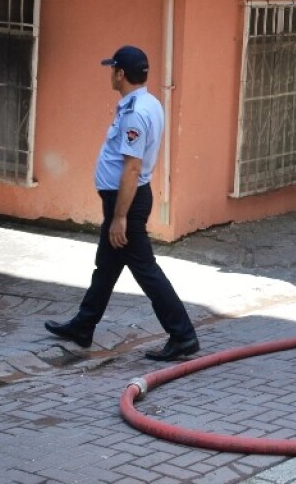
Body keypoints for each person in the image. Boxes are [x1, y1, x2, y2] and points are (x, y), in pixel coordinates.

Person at [45, 46, 200, 362]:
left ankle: (183, 335)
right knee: (106, 266)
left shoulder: (136, 113)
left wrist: (119, 218)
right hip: (124, 200)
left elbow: (131, 167)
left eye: (112, 69)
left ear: (120, 74)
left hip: (126, 202)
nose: (110, 74)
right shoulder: (147, 103)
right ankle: (83, 326)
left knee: (145, 270)